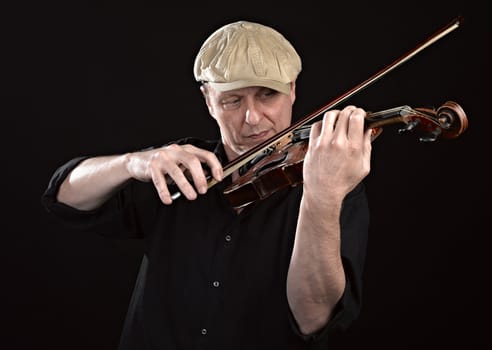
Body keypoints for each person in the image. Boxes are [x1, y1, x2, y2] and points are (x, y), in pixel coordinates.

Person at [42, 20, 373, 349]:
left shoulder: (332, 185)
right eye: (233, 100)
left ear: (293, 89)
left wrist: (321, 197)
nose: (252, 117)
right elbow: (64, 196)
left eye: (267, 94)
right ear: (208, 100)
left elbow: (312, 318)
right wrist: (131, 163)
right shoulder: (179, 166)